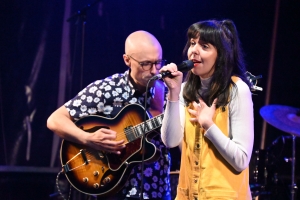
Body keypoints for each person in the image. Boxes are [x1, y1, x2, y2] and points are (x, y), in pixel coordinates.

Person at [47, 30, 172, 200]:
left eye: (158, 62)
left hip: (156, 190)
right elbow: (55, 120)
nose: (154, 70)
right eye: (146, 64)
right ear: (127, 60)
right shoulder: (106, 89)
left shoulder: (167, 92)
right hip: (113, 190)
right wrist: (87, 138)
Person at [160, 19, 254, 200]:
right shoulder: (185, 90)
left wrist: (209, 125)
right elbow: (170, 141)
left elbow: (241, 160)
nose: (194, 50)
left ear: (221, 55)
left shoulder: (237, 90)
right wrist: (173, 93)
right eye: (193, 43)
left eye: (204, 46)